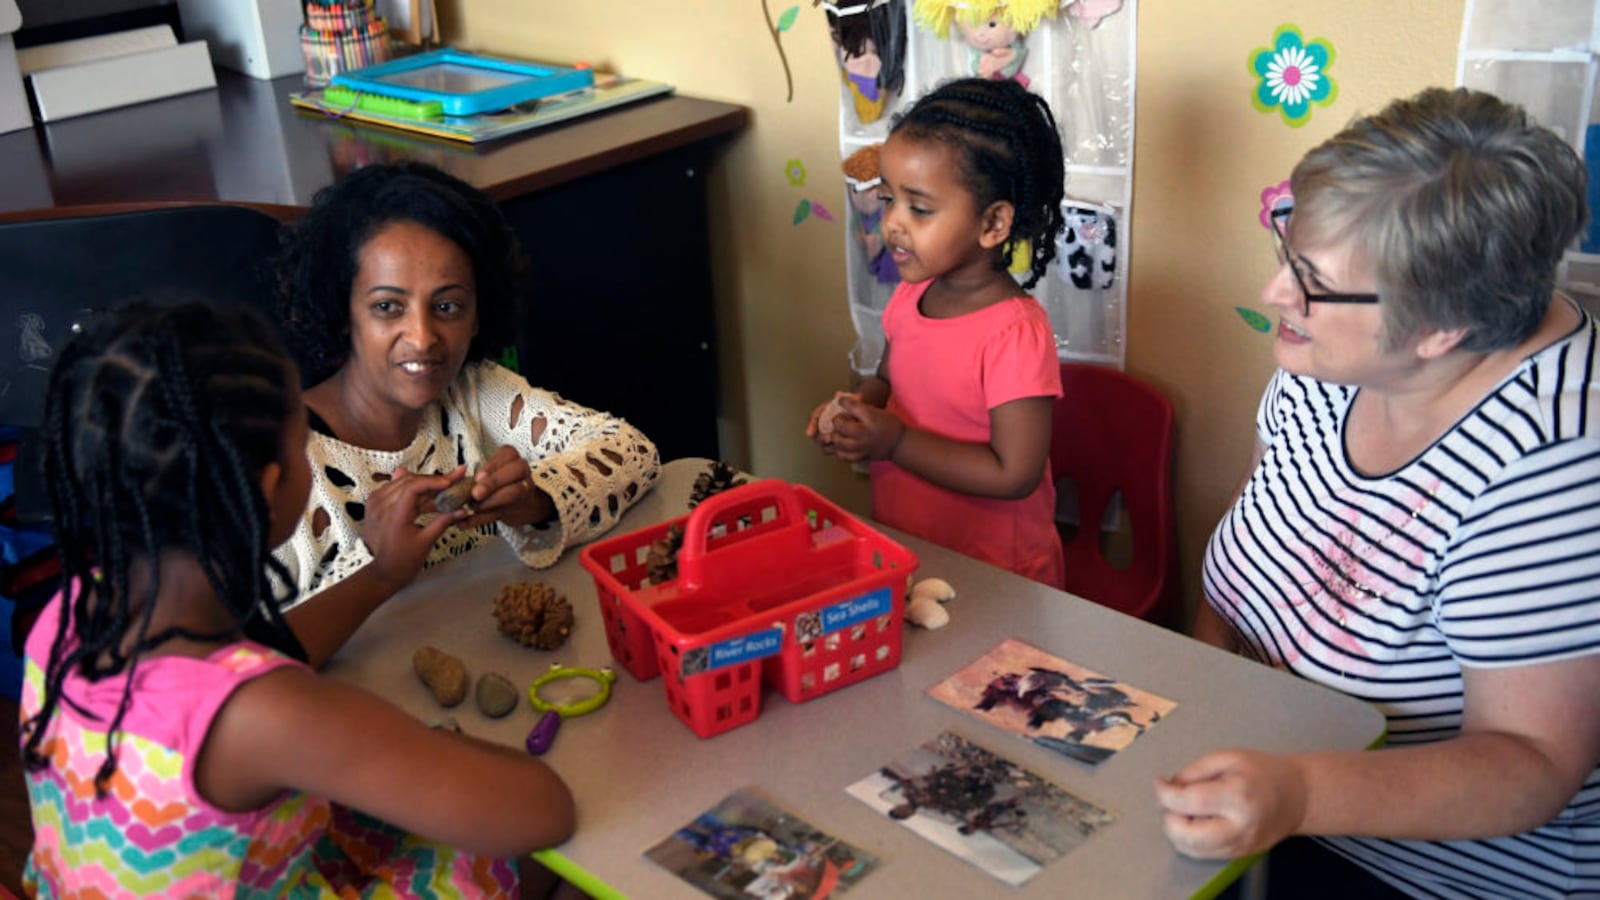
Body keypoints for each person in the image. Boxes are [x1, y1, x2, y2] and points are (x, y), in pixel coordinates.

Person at [1154, 87, 1600, 898]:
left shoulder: (1558, 466)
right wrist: (1204, 702)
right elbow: (1264, 532)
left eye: (1310, 281)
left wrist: (1299, 795)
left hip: (1430, 875)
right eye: (1289, 249)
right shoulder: (1335, 355)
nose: (1273, 295)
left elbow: (1531, 762)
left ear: (1440, 329)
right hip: (1265, 805)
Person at [18, 302, 577, 898]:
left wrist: (382, 575)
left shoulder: (71, 612)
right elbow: (543, 811)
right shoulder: (267, 715)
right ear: (267, 485)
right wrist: (438, 750)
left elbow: (255, 658)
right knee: (536, 863)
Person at [276, 162, 661, 667]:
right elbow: (240, 665)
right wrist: (376, 565)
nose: (423, 337)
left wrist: (537, 500)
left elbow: (634, 452)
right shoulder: (281, 457)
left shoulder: (473, 393)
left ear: (478, 314)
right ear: (342, 309)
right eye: (389, 307)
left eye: (448, 307)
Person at [805, 77, 1068, 588]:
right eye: (888, 201)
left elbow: (1014, 473)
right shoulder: (912, 294)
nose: (893, 224)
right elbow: (889, 380)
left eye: (919, 209)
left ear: (993, 224)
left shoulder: (1014, 334)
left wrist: (895, 442)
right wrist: (858, 410)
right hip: (912, 547)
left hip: (998, 572)